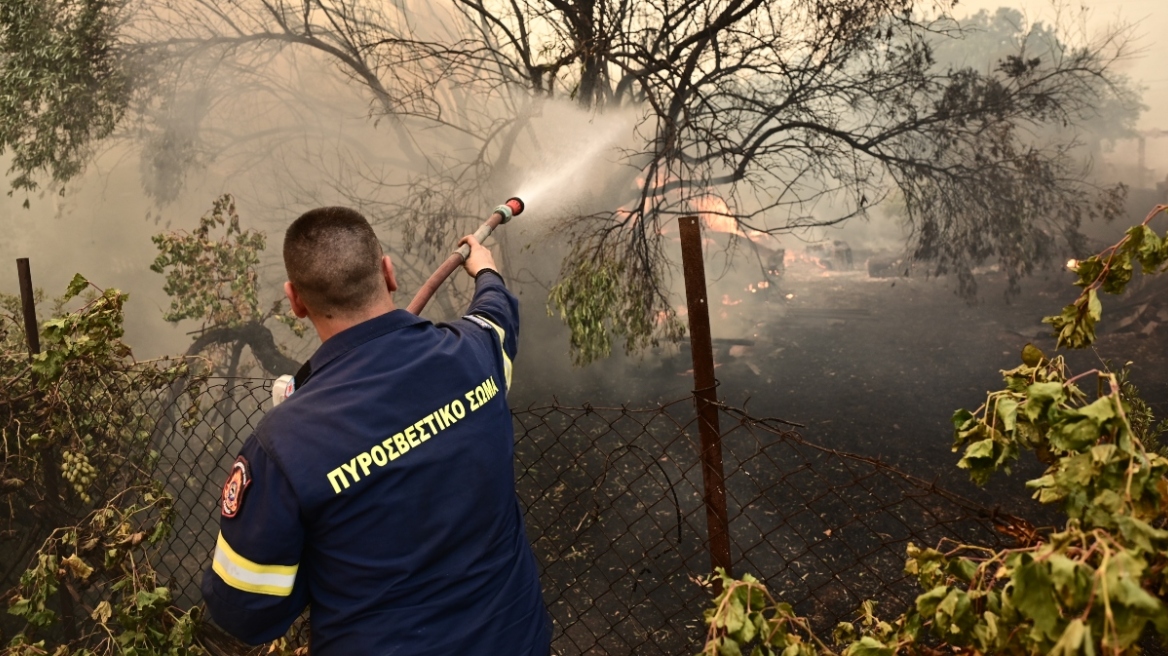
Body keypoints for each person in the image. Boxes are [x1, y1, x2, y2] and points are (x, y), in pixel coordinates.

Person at [202, 207, 550, 655]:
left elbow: (244, 613)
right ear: (389, 273)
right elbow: (494, 315)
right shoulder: (474, 357)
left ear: (295, 301)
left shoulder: (284, 445)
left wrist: (321, 548)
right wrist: (486, 272)